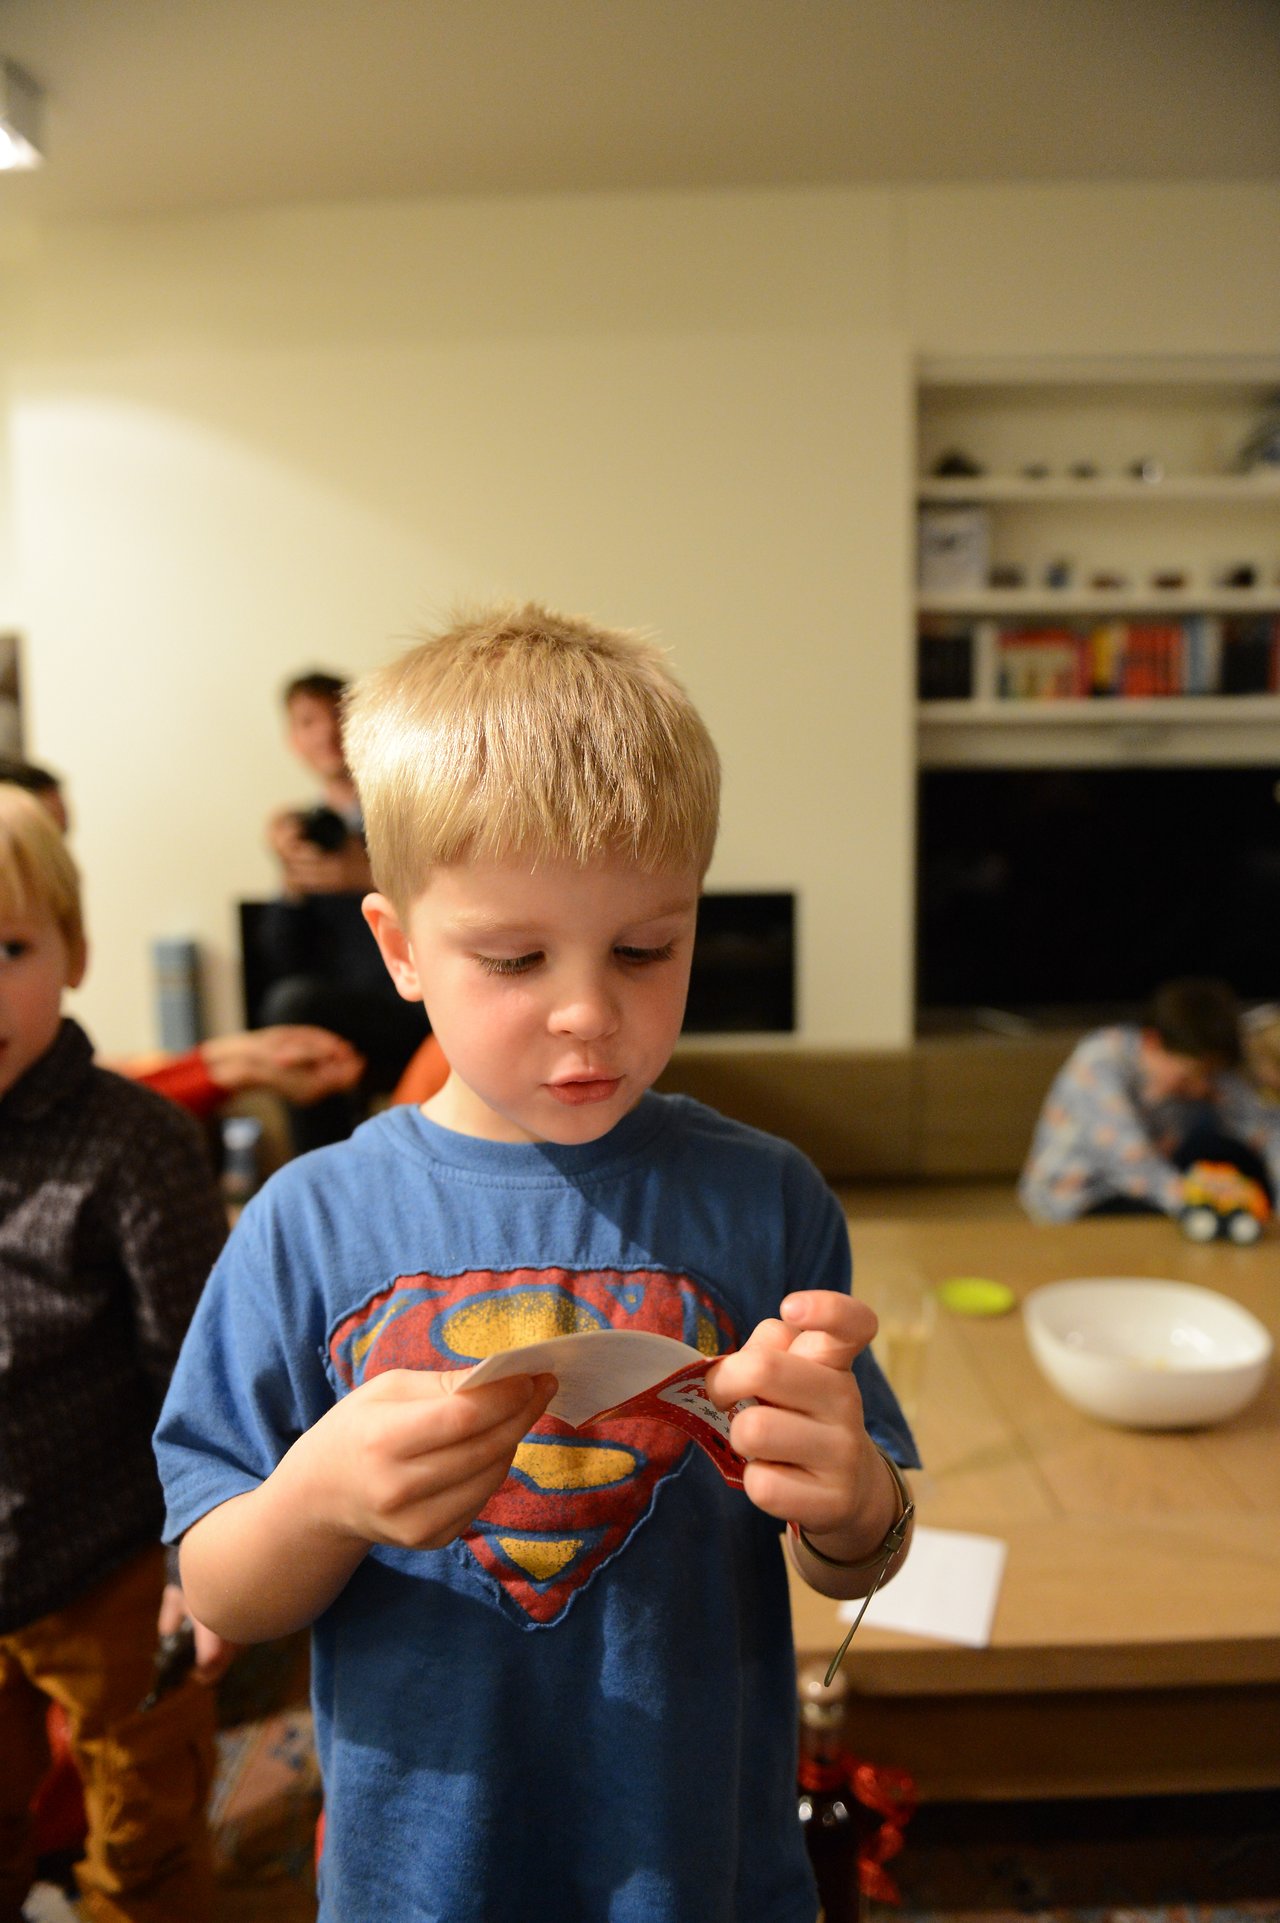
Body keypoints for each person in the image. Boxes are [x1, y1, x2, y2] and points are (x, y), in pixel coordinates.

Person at [155, 602, 918, 1923]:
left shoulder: (766, 1195)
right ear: (397, 945)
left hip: (699, 1863)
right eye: (514, 957)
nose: (589, 1008)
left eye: (646, 946)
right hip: (423, 1871)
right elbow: (218, 1582)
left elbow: (862, 1547)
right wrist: (320, 1496)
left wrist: (850, 1501)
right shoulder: (307, 1220)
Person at [0, 784, 233, 1923]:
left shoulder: (132, 1142)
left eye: (9, 949)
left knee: (144, 1835)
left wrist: (199, 1561)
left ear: (74, 953)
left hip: (111, 1562)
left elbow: (197, 1373)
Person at [256, 669, 427, 1150]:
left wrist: (372, 877)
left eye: (337, 715)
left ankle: (321, 1171)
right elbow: (283, 958)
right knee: (295, 1015)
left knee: (294, 1008)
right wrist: (289, 884)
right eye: (308, 722)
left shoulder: (409, 809)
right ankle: (324, 1175)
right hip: (347, 1016)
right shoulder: (310, 832)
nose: (327, 732)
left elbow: (462, 907)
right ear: (293, 740)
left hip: (419, 1003)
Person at [1019, 977, 1280, 1222]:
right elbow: (1131, 1162)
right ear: (1152, 1042)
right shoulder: (1101, 1060)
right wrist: (1206, 1198)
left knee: (1226, 1153)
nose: (1201, 1088)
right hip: (1076, 1201)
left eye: (1210, 1075)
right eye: (1189, 1076)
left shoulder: (1206, 1070)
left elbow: (1266, 1131)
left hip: (1150, 1189)